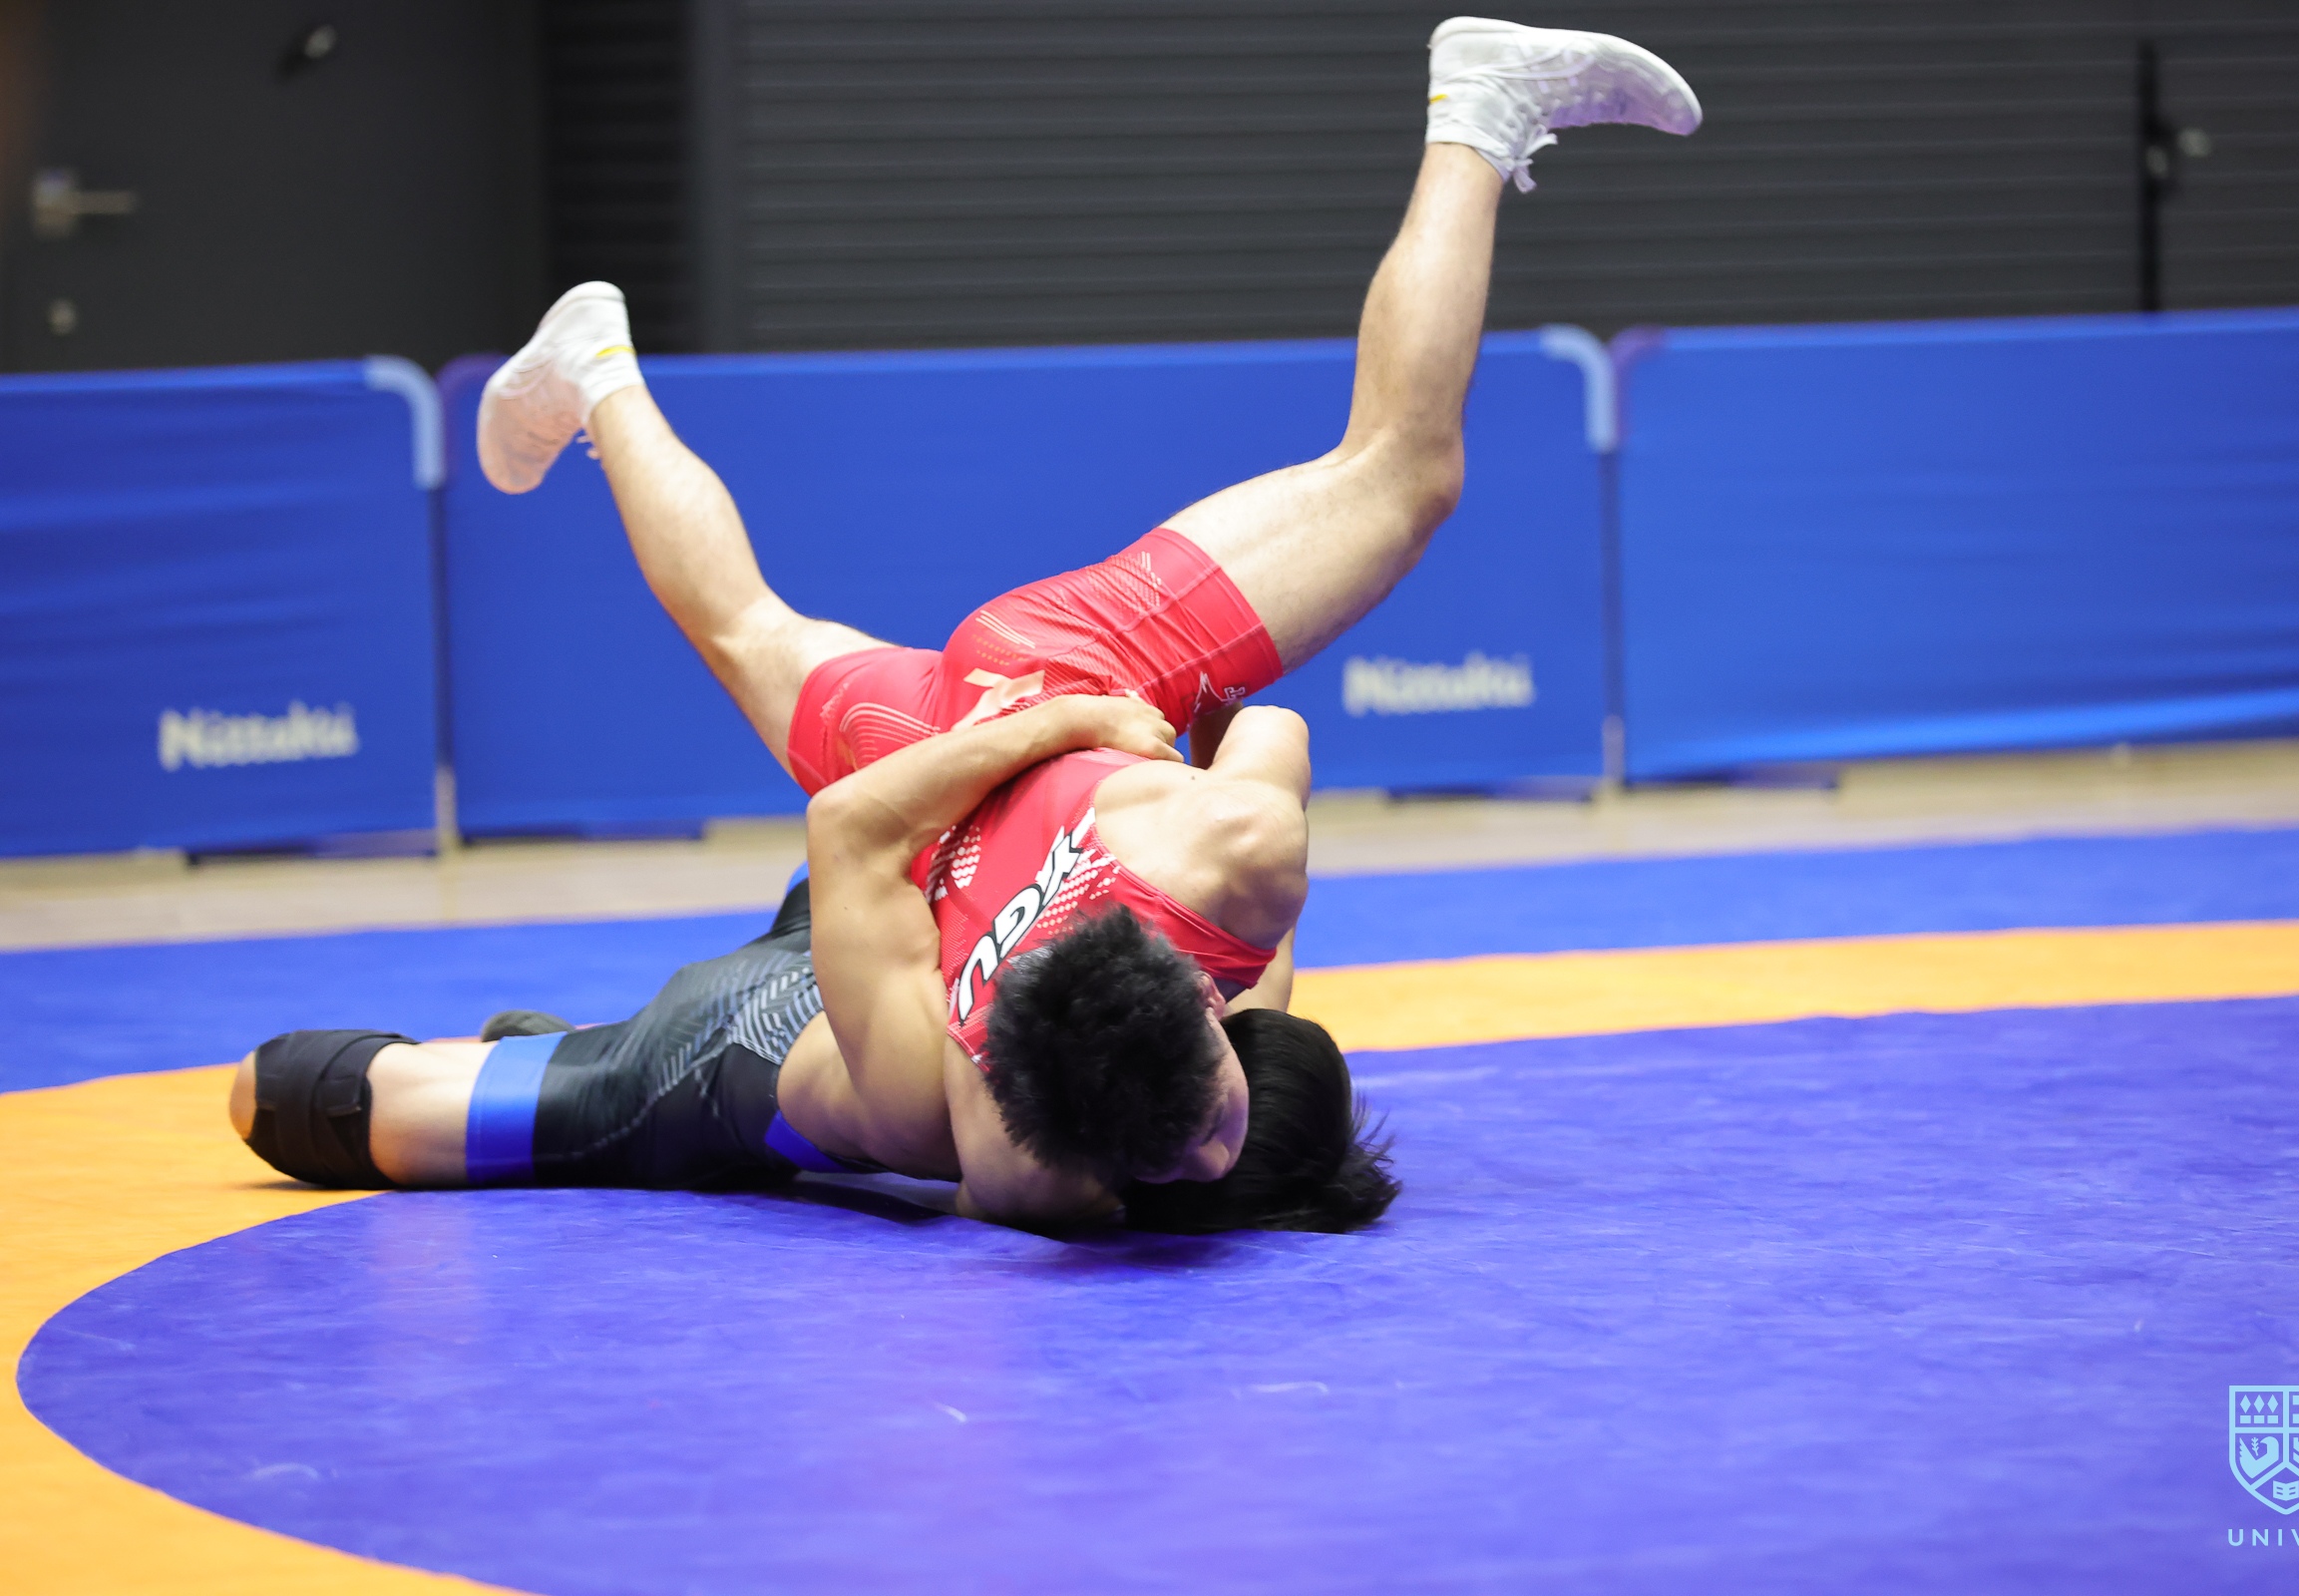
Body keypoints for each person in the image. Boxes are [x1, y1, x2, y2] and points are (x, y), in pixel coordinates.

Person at [229, 17, 1700, 1231]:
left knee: (1385, 480)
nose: (1211, 1150)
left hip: (968, 752)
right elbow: (1239, 782)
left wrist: (1065, 736)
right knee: (755, 630)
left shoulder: (1036, 1090)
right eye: (1223, 1125)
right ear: (1206, 1002)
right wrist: (1079, 751)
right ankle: (1479, 110)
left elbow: (865, 831)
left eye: (1191, 1136)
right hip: (1008, 736)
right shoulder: (1190, 924)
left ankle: (600, 367)